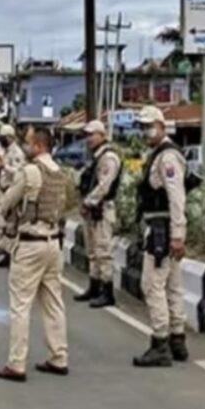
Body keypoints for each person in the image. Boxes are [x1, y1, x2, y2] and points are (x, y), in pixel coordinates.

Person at [0, 128, 68, 383]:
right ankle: (59, 357)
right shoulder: (60, 173)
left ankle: (16, 364)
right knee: (53, 303)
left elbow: (5, 203)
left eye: (28, 142)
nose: (25, 146)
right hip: (53, 242)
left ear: (38, 145)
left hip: (30, 244)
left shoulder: (30, 172)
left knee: (20, 305)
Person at [133, 106, 189, 367]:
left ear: (162, 126)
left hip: (162, 229)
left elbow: (177, 197)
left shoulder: (167, 157)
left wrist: (177, 234)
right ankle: (177, 339)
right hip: (164, 227)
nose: (145, 131)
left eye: (149, 126)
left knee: (152, 285)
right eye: (142, 127)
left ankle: (161, 342)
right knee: (172, 285)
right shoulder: (160, 153)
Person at [76, 120, 123, 308]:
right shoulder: (96, 156)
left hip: (102, 209)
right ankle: (94, 286)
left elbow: (104, 186)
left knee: (103, 251)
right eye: (87, 135)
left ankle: (107, 291)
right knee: (93, 251)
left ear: (102, 135)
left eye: (92, 134)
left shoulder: (109, 157)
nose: (88, 139)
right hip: (93, 209)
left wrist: (88, 201)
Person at [0, 125, 27, 269]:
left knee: (11, 225)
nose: (1, 140)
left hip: (12, 190)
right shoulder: (5, 150)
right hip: (3, 188)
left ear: (10, 137)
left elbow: (19, 172)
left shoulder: (17, 153)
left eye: (3, 137)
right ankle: (7, 253)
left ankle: (12, 255)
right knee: (6, 224)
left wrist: (4, 166)